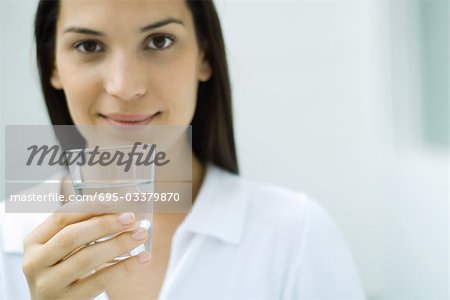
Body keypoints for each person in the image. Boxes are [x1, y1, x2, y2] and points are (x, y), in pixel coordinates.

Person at [0, 0, 367, 299]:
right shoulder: (6, 239)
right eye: (89, 45)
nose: (125, 87)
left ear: (204, 56)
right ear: (53, 65)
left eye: (159, 41)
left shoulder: (296, 235)